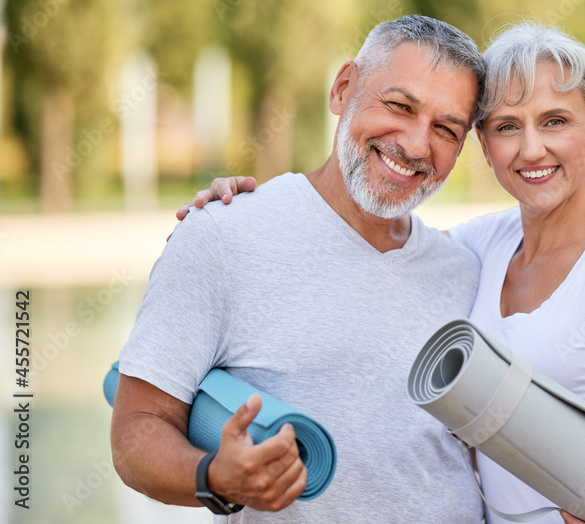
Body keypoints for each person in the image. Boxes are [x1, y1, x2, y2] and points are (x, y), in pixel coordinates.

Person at [188, 23, 585, 524]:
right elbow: (364, 250)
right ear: (483, 143)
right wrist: (254, 209)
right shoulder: (477, 247)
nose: (531, 150)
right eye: (506, 126)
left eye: (555, 121)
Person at [110, 15, 489, 522]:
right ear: (343, 89)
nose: (418, 145)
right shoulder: (224, 235)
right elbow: (136, 428)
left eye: (446, 129)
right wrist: (215, 478)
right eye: (399, 106)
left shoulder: (465, 269)